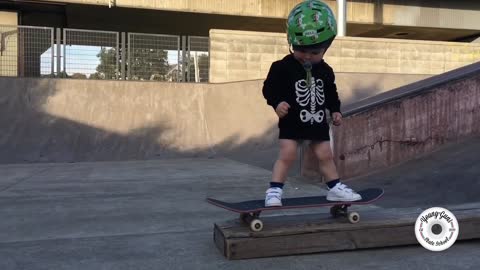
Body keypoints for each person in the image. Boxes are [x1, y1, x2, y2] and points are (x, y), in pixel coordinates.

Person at [262, 0, 361, 207]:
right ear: (292, 43)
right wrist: (277, 103)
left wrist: (335, 110)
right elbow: (269, 88)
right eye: (302, 50)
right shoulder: (281, 67)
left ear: (326, 48)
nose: (307, 55)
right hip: (292, 121)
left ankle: (334, 188)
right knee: (287, 155)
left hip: (317, 122)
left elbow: (331, 92)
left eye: (315, 52)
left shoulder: (325, 70)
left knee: (325, 155)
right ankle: (274, 190)